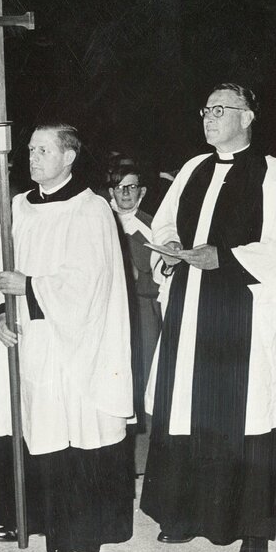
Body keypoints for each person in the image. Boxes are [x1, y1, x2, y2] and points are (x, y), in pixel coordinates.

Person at [140, 82, 276, 552]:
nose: (209, 118)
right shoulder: (193, 169)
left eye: (221, 110)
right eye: (206, 109)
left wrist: (225, 258)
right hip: (190, 307)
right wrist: (171, 251)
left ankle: (253, 528)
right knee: (185, 409)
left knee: (244, 415)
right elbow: (166, 225)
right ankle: (181, 514)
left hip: (245, 310)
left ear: (249, 116)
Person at [0, 123, 135, 552]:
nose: (31, 158)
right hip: (22, 336)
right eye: (30, 150)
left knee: (64, 425)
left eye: (42, 150)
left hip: (70, 343)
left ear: (68, 157)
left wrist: (27, 286)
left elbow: (91, 281)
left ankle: (70, 529)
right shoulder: (17, 207)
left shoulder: (90, 210)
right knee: (23, 422)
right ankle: (23, 517)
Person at [107, 165, 161, 435]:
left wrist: (139, 278)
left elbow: (167, 279)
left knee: (141, 374)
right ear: (110, 192)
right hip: (104, 311)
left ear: (142, 191)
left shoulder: (154, 227)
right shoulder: (99, 220)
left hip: (141, 312)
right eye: (119, 187)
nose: (125, 192)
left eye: (131, 186)